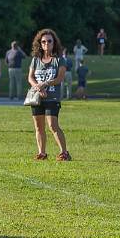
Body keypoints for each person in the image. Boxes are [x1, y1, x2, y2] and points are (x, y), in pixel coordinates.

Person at [28, 28, 71, 161]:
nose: (46, 44)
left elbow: (59, 78)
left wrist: (45, 84)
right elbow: (30, 77)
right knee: (39, 127)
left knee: (53, 125)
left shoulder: (59, 60)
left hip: (52, 97)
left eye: (49, 41)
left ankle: (64, 153)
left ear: (54, 43)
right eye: (44, 41)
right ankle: (42, 153)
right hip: (37, 96)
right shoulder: (36, 59)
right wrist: (37, 87)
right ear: (40, 43)